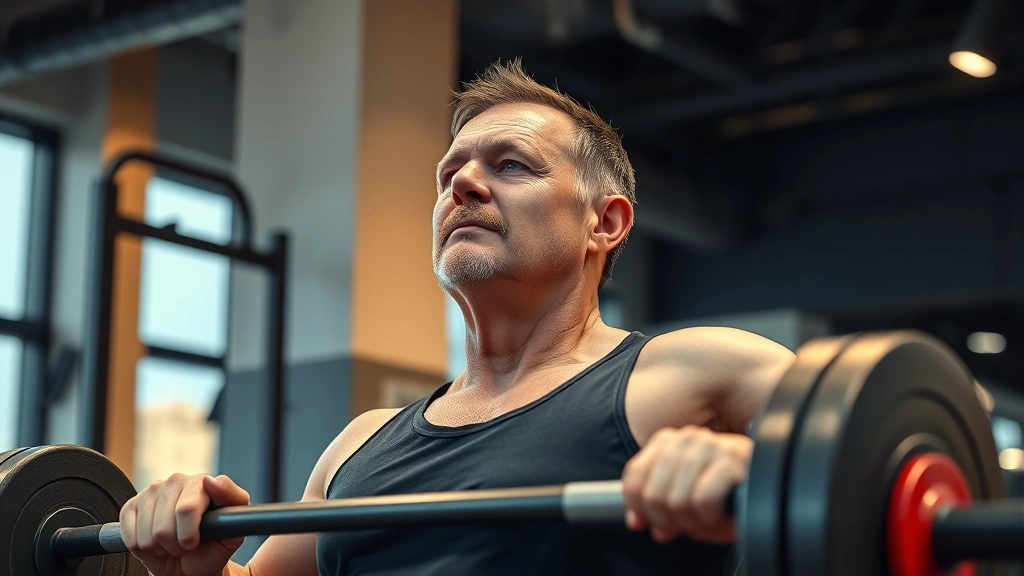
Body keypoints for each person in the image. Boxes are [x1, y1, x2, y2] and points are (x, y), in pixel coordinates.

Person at [118, 59, 805, 575]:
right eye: (449, 176)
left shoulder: (695, 372)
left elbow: (889, 460)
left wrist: (762, 469)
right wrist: (192, 566)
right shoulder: (359, 444)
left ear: (606, 221)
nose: (463, 186)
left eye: (511, 166)